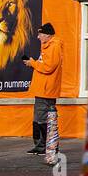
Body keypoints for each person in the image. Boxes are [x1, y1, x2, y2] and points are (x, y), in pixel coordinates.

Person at [24, 22, 63, 154]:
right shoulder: (49, 46)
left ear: (47, 35)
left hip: (46, 90)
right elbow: (46, 64)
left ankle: (44, 146)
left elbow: (48, 67)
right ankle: (42, 145)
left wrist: (33, 63)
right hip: (43, 89)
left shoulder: (54, 46)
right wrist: (34, 63)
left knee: (41, 118)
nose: (38, 37)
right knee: (40, 118)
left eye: (40, 34)